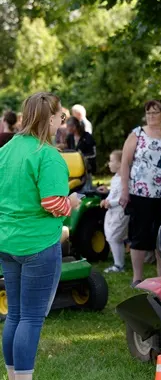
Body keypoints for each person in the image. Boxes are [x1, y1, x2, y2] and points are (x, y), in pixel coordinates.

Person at [0, 92, 81, 380]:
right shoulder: (48, 156)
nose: (63, 119)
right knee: (31, 317)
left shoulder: (7, 148)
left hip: (7, 242)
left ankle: (12, 376)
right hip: (38, 244)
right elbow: (52, 204)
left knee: (16, 314)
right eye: (60, 115)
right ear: (50, 118)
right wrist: (71, 203)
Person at [120, 99, 161, 288]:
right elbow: (125, 163)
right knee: (140, 234)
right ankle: (137, 277)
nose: (151, 116)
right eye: (148, 113)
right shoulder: (137, 135)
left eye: (155, 112)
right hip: (141, 193)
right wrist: (124, 190)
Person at [100, 150, 130, 273]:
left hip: (120, 212)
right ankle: (119, 263)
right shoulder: (116, 178)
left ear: (120, 163)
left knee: (114, 237)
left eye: (112, 161)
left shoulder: (125, 178)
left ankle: (119, 265)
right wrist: (107, 196)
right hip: (112, 212)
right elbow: (114, 193)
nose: (109, 164)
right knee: (112, 237)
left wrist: (110, 203)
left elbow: (124, 196)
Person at [65, 117, 97, 190]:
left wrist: (81, 157)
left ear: (74, 126)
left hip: (86, 167)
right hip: (74, 168)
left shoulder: (87, 137)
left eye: (68, 126)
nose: (67, 128)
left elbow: (93, 153)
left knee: (86, 188)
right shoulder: (70, 138)